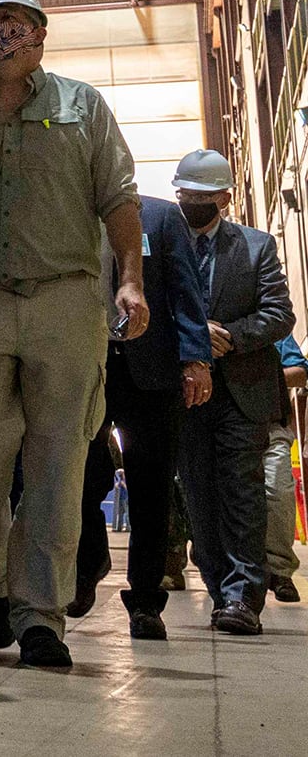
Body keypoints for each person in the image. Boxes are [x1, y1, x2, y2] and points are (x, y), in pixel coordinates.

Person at [0, 0, 149, 670]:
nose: (0, 32)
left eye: (13, 21)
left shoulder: (83, 106)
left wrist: (131, 283)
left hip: (66, 301)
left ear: (40, 31)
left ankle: (41, 616)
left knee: (60, 464)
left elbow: (118, 197)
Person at [68, 195, 212, 639]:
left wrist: (195, 358)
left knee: (151, 487)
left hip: (150, 373)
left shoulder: (161, 216)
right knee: (83, 477)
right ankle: (90, 560)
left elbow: (186, 291)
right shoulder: (68, 210)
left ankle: (146, 601)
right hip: (86, 366)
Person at [171, 149, 295, 635]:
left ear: (225, 197)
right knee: (198, 493)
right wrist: (193, 336)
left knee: (243, 493)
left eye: (204, 197)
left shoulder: (256, 247)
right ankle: (221, 587)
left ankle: (245, 595)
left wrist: (230, 336)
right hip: (183, 392)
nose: (193, 203)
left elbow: (280, 312)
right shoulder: (163, 242)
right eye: (186, 195)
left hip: (241, 391)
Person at [268, 334, 305, 602]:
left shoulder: (275, 327)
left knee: (277, 490)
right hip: (224, 427)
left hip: (271, 425)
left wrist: (257, 378)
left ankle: (280, 570)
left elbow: (299, 372)